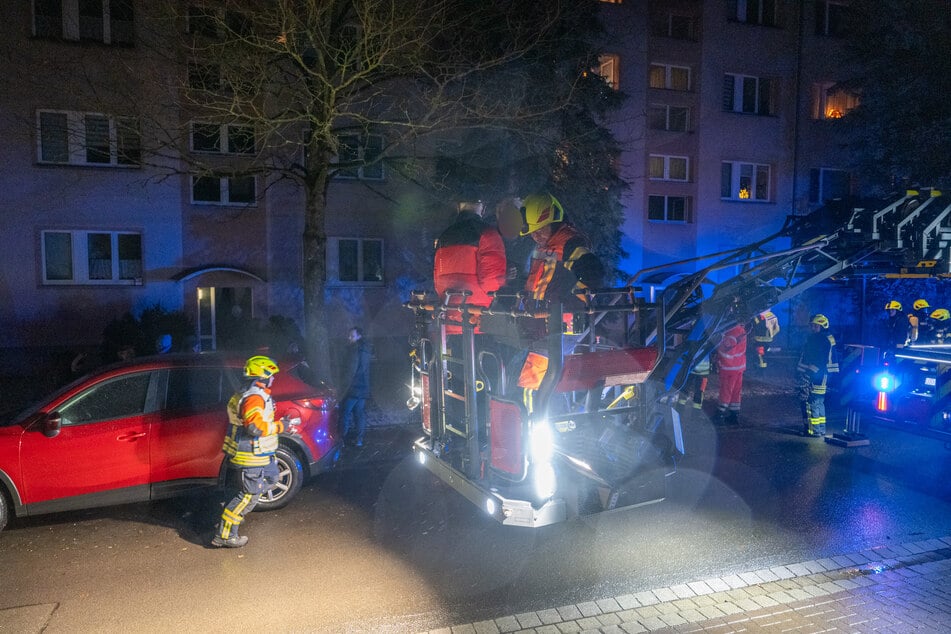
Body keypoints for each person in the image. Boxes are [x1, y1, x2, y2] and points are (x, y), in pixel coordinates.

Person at [514, 193, 605, 411]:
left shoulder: (570, 244)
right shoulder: (549, 244)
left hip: (560, 326)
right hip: (545, 326)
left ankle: (532, 433)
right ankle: (558, 429)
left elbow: (593, 274)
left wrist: (570, 305)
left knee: (533, 385)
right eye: (532, 233)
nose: (535, 236)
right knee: (550, 382)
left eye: (539, 230)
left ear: (553, 221)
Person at [213, 355, 285, 548]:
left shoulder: (250, 392)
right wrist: (281, 426)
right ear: (263, 376)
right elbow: (254, 427)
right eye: (272, 375)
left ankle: (234, 510)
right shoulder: (254, 397)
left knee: (272, 478)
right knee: (249, 496)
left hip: (262, 454)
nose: (274, 378)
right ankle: (226, 534)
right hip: (251, 455)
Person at [433, 200, 507, 334]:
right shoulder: (488, 233)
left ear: (458, 207)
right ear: (483, 208)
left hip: (449, 322)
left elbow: (437, 280)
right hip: (478, 322)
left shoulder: (444, 236)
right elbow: (492, 282)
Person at [796, 314, 838, 438]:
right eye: (812, 326)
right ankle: (820, 429)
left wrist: (808, 374)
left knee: (812, 401)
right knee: (818, 402)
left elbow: (818, 359)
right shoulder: (826, 337)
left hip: (817, 375)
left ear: (822, 326)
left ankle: (813, 430)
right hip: (823, 375)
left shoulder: (821, 339)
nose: (813, 328)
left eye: (815, 326)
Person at [340, 326, 372, 447]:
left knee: (345, 413)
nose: (349, 338)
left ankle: (341, 440)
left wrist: (343, 387)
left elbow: (350, 371)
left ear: (359, 336)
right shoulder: (366, 350)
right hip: (363, 388)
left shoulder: (354, 350)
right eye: (349, 335)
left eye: (352, 336)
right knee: (359, 414)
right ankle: (359, 440)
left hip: (354, 388)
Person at [715, 322, 747, 424]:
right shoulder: (741, 330)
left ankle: (720, 413)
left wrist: (718, 356)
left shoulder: (731, 333)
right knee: (735, 391)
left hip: (729, 369)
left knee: (726, 391)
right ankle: (734, 414)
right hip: (738, 367)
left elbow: (727, 354)